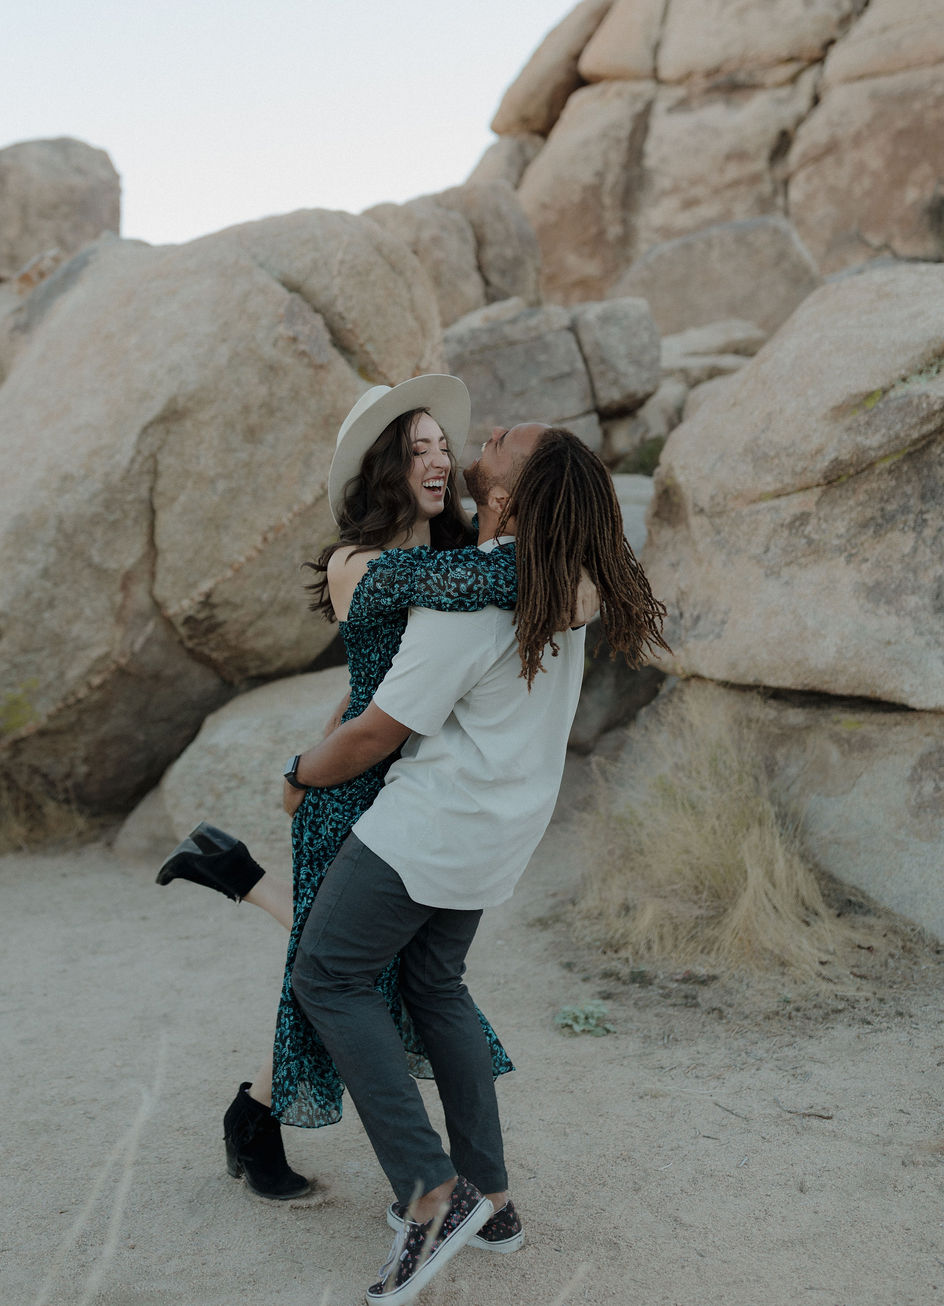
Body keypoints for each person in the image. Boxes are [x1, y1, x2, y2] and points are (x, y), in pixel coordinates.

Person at [282, 422, 670, 1304]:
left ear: (512, 492)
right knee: (434, 983)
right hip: (501, 833)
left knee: (327, 973)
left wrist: (299, 773)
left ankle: (430, 1189)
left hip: (431, 824)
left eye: (503, 440)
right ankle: (491, 1199)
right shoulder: (553, 582)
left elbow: (379, 731)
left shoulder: (471, 598)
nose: (485, 434)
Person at [158, 375, 529, 1199]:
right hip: (356, 791)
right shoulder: (356, 564)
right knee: (335, 976)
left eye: (443, 446)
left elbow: (365, 687)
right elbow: (477, 591)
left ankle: (237, 879)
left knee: (345, 969)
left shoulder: (448, 553)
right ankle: (252, 1124)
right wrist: (557, 570)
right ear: (384, 471)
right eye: (417, 449)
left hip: (411, 784)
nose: (438, 461)